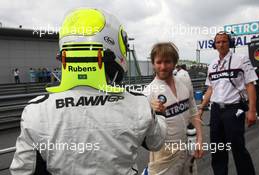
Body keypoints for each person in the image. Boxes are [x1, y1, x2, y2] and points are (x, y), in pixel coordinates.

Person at [10, 8, 167, 175]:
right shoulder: (138, 104)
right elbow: (156, 142)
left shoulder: (36, 110)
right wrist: (161, 115)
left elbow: (22, 171)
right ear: (116, 45)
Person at [198, 31, 257, 175]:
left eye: (224, 41)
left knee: (238, 148)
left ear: (229, 43)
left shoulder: (241, 59)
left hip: (234, 109)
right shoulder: (212, 65)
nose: (221, 44)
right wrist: (201, 108)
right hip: (216, 111)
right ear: (214, 45)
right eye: (218, 42)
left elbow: (250, 85)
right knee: (217, 149)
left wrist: (252, 110)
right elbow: (211, 88)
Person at [143, 42, 203, 175]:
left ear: (175, 62)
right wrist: (152, 114)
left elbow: (193, 112)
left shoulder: (184, 82)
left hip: (187, 147)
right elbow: (145, 136)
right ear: (153, 63)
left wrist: (199, 139)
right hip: (164, 155)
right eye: (159, 62)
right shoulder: (148, 92)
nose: (163, 67)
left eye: (167, 62)